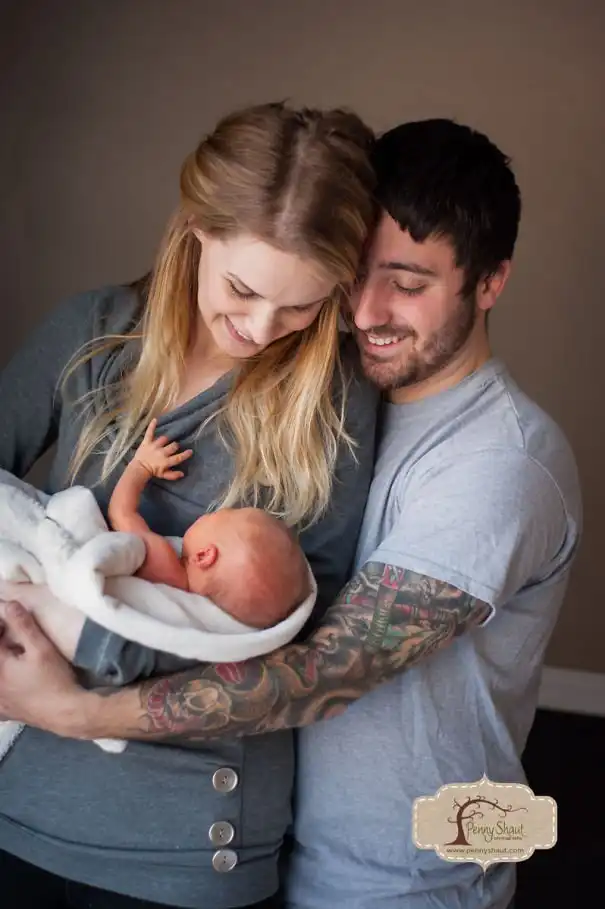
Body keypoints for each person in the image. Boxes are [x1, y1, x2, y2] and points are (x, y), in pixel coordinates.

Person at [0, 118, 581, 909]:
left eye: (407, 284)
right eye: (353, 280)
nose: (365, 312)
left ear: (490, 282)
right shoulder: (105, 337)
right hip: (270, 842)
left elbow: (322, 663)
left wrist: (76, 702)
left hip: (395, 876)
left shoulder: (490, 459)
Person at [0, 100, 379, 909]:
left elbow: (302, 639)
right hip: (16, 797)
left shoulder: (334, 401)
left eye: (302, 305)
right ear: (196, 226)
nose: (262, 328)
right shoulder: (92, 335)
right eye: (242, 288)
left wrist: (98, 664)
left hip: (185, 841)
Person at [108, 418, 311, 628]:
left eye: (222, 515)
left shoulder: (165, 567)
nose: (214, 511)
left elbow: (120, 513)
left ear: (204, 556)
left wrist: (141, 466)